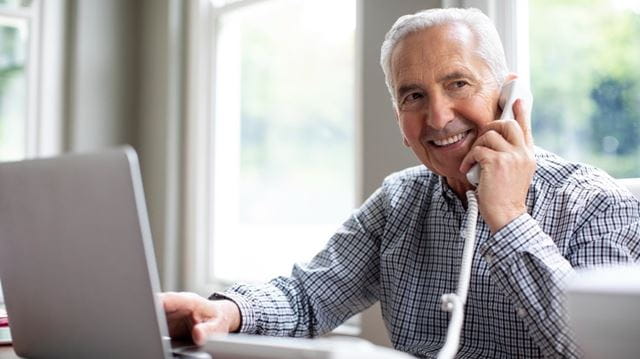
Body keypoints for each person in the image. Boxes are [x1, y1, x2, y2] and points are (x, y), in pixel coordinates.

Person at [161, 7, 640, 358]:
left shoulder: (599, 204)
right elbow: (307, 297)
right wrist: (226, 313)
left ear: (510, 96)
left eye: (458, 84)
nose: (437, 116)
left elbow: (595, 351)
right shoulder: (399, 200)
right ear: (399, 118)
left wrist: (509, 217)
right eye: (414, 95)